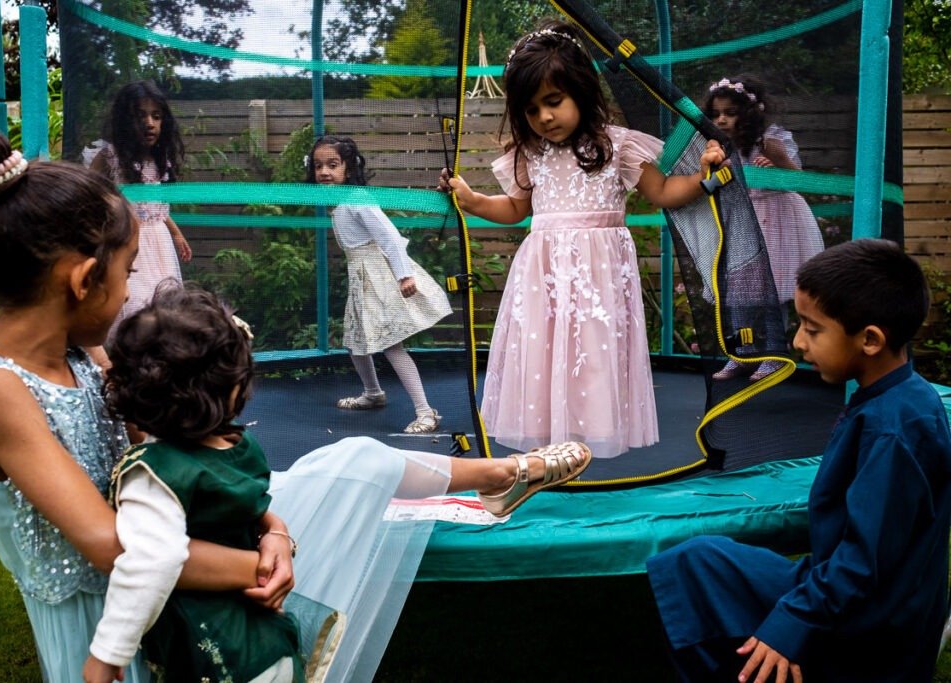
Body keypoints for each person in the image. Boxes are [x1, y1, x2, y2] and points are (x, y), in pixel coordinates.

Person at [83, 282, 592, 682]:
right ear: (233, 390)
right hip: (238, 630)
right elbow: (156, 558)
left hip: (236, 630)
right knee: (361, 461)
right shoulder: (202, 458)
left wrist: (276, 528)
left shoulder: (185, 461)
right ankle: (503, 474)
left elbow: (191, 533)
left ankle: (500, 475)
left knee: (360, 458)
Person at [0, 129, 304, 682]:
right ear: (86, 279)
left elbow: (171, 462)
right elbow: (113, 546)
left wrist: (270, 526)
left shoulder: (87, 354)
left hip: (163, 604)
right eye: (128, 272)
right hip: (98, 629)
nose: (130, 291)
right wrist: (254, 564)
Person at [646, 239, 951, 683]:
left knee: (702, 576)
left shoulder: (894, 430)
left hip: (869, 629)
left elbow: (865, 562)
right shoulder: (900, 397)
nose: (797, 341)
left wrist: (791, 624)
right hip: (841, 586)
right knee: (700, 558)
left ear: (869, 339)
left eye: (812, 328)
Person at [438, 21, 725, 459]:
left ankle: (589, 439)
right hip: (545, 275)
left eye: (553, 102)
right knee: (544, 350)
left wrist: (704, 180)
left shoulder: (619, 146)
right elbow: (516, 209)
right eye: (532, 110)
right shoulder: (529, 153)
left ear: (582, 91)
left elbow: (664, 192)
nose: (544, 117)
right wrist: (473, 199)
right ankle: (546, 446)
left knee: (592, 352)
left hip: (599, 277)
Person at [308, 135, 453, 434]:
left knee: (391, 344)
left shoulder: (357, 199)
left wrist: (404, 275)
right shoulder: (338, 203)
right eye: (318, 166)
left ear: (348, 169)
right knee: (356, 340)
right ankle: (373, 393)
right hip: (361, 276)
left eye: (332, 165)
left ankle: (426, 412)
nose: (324, 172)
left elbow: (388, 236)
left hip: (380, 276)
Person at [705, 76, 825, 382]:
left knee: (772, 291)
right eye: (716, 113)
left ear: (748, 113)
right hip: (742, 221)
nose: (721, 119)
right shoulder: (718, 147)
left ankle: (774, 354)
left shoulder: (770, 142)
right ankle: (741, 355)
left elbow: (798, 179)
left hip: (776, 219)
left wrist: (778, 167)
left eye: (729, 113)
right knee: (738, 292)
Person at [91, 79, 191, 340]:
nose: (150, 123)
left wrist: (176, 233)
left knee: (163, 306)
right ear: (125, 120)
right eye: (141, 116)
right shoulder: (109, 157)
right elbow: (90, 198)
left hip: (158, 243)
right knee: (134, 304)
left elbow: (155, 208)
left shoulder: (159, 160)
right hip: (128, 242)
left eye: (156, 116)